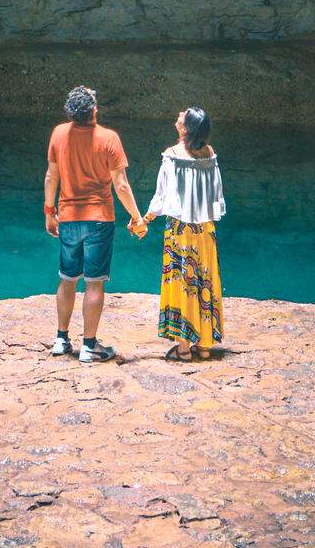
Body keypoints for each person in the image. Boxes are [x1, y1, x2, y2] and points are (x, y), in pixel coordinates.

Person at [43, 85, 143, 362]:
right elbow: (120, 184)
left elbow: (52, 178)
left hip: (68, 218)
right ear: (94, 112)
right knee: (94, 283)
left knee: (67, 278)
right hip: (99, 219)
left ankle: (61, 340)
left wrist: (49, 212)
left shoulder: (59, 133)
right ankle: (89, 345)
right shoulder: (108, 138)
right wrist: (136, 217)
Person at [144, 106, 227, 360]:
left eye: (184, 115)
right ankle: (204, 345)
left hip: (180, 231)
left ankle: (183, 348)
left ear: (185, 128)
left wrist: (145, 219)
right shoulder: (209, 154)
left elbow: (162, 195)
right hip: (205, 230)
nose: (179, 113)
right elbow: (216, 194)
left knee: (183, 284)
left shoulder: (172, 155)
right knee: (204, 282)